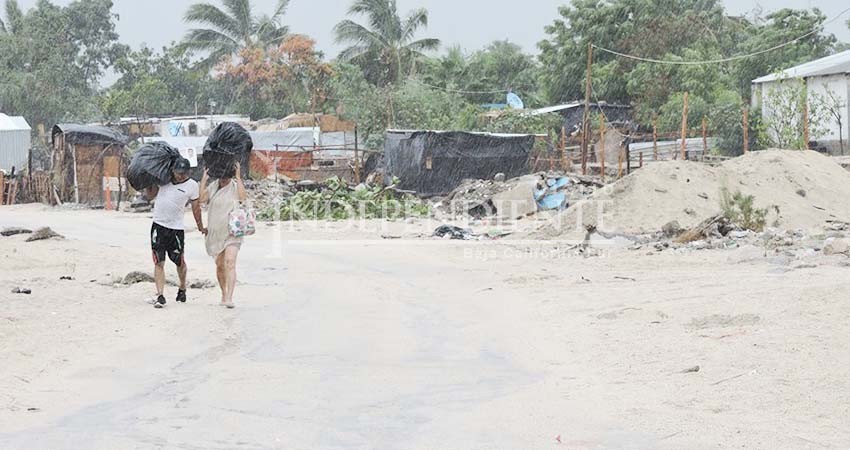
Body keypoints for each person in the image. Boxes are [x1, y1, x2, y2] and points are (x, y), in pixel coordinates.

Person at [145, 158, 205, 309]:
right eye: (178, 173)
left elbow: (196, 208)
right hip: (158, 226)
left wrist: (200, 226)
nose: (180, 176)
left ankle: (182, 287)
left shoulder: (192, 186)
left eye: (183, 174)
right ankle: (160, 295)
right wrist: (150, 182)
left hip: (176, 229)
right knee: (158, 261)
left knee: (179, 261)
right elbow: (150, 196)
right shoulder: (163, 179)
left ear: (188, 172)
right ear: (172, 170)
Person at [199, 161, 247, 309]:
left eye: (226, 177)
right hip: (215, 232)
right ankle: (223, 293)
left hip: (233, 232)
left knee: (230, 262)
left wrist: (238, 177)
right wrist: (204, 179)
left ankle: (230, 297)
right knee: (220, 266)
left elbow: (242, 198)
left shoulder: (234, 186)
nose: (223, 180)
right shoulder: (213, 187)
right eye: (221, 177)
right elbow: (201, 199)